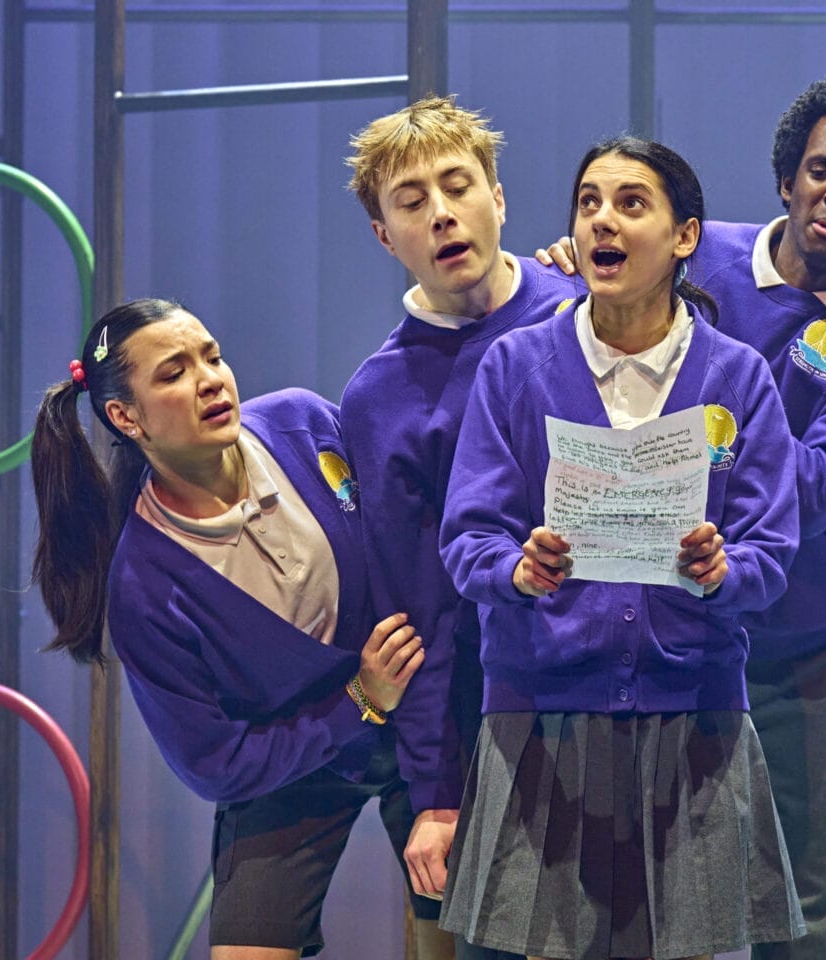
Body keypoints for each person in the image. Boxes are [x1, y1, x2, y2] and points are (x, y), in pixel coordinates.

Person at [538, 75, 826, 960]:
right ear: (786, 180)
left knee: (798, 922)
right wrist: (573, 275)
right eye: (822, 169)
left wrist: (653, 469)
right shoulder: (693, 252)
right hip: (664, 646)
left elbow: (814, 486)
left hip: (805, 657)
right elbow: (575, 358)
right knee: (634, 916)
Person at [438, 137, 806, 960]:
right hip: (541, 714)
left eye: (632, 203)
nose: (603, 220)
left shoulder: (739, 377)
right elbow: (467, 537)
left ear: (685, 237)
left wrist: (725, 569)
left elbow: (771, 551)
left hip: (693, 717)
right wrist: (517, 567)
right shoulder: (517, 365)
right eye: (589, 202)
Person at [29, 297, 453, 960]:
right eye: (173, 373)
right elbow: (215, 764)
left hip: (424, 727)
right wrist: (359, 702)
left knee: (460, 936)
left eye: (212, 356)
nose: (210, 379)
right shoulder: (144, 586)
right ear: (124, 416)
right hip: (292, 768)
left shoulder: (301, 421)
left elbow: (415, 525)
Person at [340, 94, 578, 953]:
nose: (441, 213)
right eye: (411, 202)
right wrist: (437, 791)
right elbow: (417, 609)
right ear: (384, 235)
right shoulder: (381, 396)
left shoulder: (593, 303)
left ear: (499, 197)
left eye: (457, 185)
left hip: (638, 701)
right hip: (495, 725)